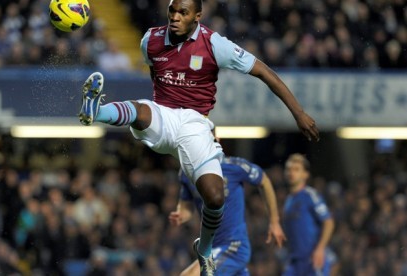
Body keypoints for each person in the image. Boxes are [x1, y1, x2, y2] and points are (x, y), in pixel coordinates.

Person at [78, 0, 319, 274]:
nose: (175, 17)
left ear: (197, 16)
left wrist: (298, 113)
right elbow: (154, 70)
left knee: (215, 197)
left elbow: (264, 71)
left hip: (195, 124)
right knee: (141, 110)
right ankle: (95, 112)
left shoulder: (215, 45)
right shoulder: (151, 39)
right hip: (165, 115)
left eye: (183, 12)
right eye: (172, 11)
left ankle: (204, 249)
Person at [169, 155, 286, 275]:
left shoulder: (233, 166)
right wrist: (181, 215)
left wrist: (274, 221)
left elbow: (264, 180)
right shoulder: (187, 172)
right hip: (210, 248)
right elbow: (186, 207)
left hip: (234, 246)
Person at [282, 154, 336, 276]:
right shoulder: (288, 201)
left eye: (296, 169)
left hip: (312, 258)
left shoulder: (311, 195)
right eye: (289, 169)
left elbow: (328, 222)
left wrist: (320, 248)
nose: (291, 173)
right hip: (295, 260)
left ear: (305, 174)